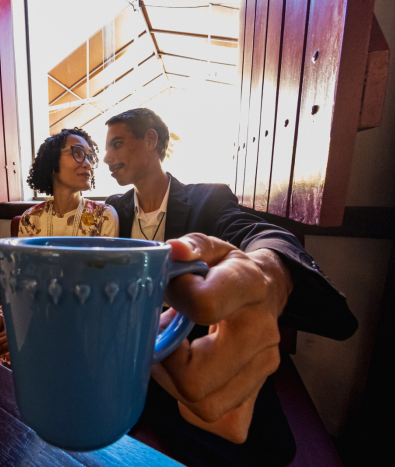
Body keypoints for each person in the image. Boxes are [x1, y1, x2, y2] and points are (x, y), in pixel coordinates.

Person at [102, 108, 357, 465]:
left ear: (150, 140)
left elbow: (260, 234)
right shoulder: (110, 212)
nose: (106, 158)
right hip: (122, 367)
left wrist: (269, 274)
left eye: (117, 144)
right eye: (106, 148)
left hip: (195, 367)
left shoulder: (208, 199)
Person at [0, 128, 119, 363]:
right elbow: (20, 286)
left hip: (79, 328)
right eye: (77, 153)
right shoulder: (31, 219)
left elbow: (98, 297)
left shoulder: (103, 216)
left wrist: (32, 333)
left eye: (90, 157)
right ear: (53, 162)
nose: (88, 163)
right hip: (30, 316)